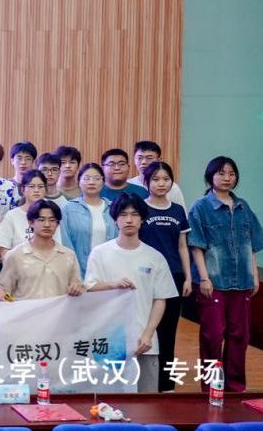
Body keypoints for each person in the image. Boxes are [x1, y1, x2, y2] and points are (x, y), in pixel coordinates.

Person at [84, 195, 178, 392]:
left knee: (146, 400)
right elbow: (89, 287)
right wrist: (112, 285)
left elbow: (160, 299)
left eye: (134, 215)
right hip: (109, 342)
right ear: (115, 219)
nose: (129, 220)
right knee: (107, 401)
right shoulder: (100, 253)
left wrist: (148, 334)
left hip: (144, 342)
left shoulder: (155, 257)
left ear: (142, 219)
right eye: (123, 214)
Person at [188, 156, 262, 393]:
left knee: (240, 335)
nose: (227, 178)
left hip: (242, 282)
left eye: (231, 174)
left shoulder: (243, 207)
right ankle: (211, 387)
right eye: (221, 173)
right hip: (214, 281)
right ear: (210, 176)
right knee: (212, 335)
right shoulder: (201, 207)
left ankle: (235, 387)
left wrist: (254, 275)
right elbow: (196, 246)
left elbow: (251, 244)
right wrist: (204, 278)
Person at [138, 161, 192, 392]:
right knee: (144, 329)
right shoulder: (139, 208)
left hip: (174, 276)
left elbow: (182, 246)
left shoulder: (178, 210)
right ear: (146, 182)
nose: (161, 184)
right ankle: (142, 382)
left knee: (168, 333)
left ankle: (166, 385)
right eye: (155, 179)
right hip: (145, 277)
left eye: (166, 179)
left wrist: (188, 277)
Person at [0, 200, 85, 301]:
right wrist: (12, 305)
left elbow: (78, 286)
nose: (47, 224)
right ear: (31, 222)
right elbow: (3, 290)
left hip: (60, 311)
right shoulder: (16, 255)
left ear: (58, 224)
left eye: (52, 220)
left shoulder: (68, 256)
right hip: (27, 311)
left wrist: (77, 289)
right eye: (41, 220)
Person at [61, 163, 118, 275]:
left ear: (103, 182)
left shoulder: (114, 208)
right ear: (79, 182)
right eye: (86, 178)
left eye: (96, 178)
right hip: (79, 271)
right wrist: (74, 273)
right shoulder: (68, 209)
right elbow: (66, 244)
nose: (91, 182)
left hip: (109, 271)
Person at [0, 171, 62, 261]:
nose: (36, 190)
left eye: (40, 186)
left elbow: (57, 246)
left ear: (46, 190)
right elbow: (3, 248)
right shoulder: (12, 215)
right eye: (31, 186)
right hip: (17, 266)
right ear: (22, 190)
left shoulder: (51, 214)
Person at [130, 141, 186, 206]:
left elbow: (180, 211)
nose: (143, 162)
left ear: (159, 160)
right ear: (134, 160)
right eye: (140, 158)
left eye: (149, 158)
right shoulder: (128, 185)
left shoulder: (172, 188)